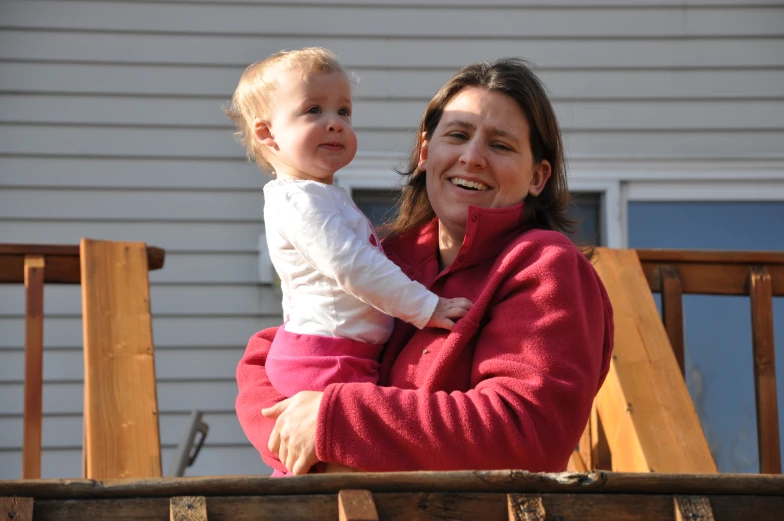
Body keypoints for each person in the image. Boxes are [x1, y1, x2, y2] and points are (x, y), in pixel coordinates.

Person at [236, 57, 614, 476]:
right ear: (424, 151)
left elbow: (525, 433)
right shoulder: (390, 255)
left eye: (500, 145)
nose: (472, 158)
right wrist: (307, 437)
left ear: (538, 177)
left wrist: (333, 424)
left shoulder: (545, 267)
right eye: (457, 135)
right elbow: (266, 358)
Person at [225, 48, 472, 402]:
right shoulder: (300, 202)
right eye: (314, 110)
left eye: (343, 111)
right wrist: (427, 306)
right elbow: (353, 266)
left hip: (338, 351)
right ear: (267, 133)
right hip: (326, 358)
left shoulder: (321, 196)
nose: (335, 122)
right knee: (349, 448)